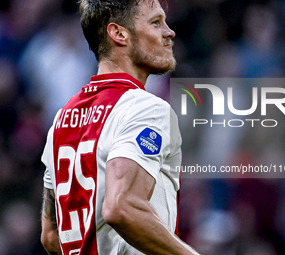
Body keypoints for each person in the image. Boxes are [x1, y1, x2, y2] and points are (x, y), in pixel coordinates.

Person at [40, 0, 200, 254]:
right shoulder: (146, 108)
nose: (170, 32)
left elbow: (51, 236)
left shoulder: (62, 118)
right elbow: (121, 207)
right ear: (119, 34)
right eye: (156, 22)